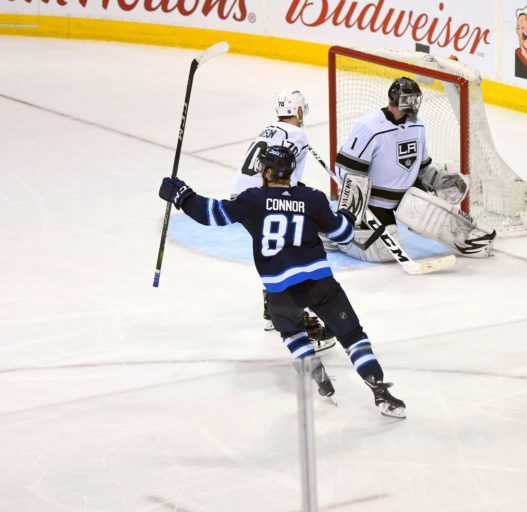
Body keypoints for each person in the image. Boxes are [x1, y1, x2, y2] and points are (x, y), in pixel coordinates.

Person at [158, 145, 406, 418]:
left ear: (267, 172)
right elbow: (343, 235)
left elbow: (211, 213)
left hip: (279, 292)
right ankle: (380, 391)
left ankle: (318, 375)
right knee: (352, 336)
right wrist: (348, 213)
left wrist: (181, 195)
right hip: (320, 284)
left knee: (293, 333)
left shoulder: (252, 199)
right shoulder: (313, 198)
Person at [333, 76, 496, 262]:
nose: (415, 103)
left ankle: (472, 241)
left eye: (417, 99)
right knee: (385, 253)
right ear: (398, 99)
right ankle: (336, 236)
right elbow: (346, 168)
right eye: (411, 99)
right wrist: (357, 204)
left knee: (440, 217)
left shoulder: (417, 125)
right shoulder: (370, 126)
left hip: (408, 195)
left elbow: (422, 165)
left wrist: (439, 180)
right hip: (375, 201)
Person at [232, 89, 331, 349]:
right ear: (298, 111)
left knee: (274, 252)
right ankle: (302, 322)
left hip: (243, 196)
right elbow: (284, 177)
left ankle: (272, 312)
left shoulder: (268, 130)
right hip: (265, 197)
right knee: (294, 253)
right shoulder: (298, 134)